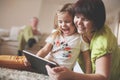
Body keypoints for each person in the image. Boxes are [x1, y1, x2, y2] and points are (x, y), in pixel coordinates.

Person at [0, 3, 91, 74]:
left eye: (67, 22)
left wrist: (87, 75)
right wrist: (34, 60)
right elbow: (45, 49)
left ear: (75, 22)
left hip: (59, 70)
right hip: (45, 63)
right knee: (21, 61)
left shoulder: (80, 38)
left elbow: (87, 59)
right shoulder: (56, 33)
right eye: (60, 22)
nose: (63, 25)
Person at [46, 0, 120, 80]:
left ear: (96, 21)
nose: (79, 22)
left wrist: (71, 75)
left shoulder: (102, 41)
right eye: (77, 16)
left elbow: (103, 77)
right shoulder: (79, 31)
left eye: (85, 19)